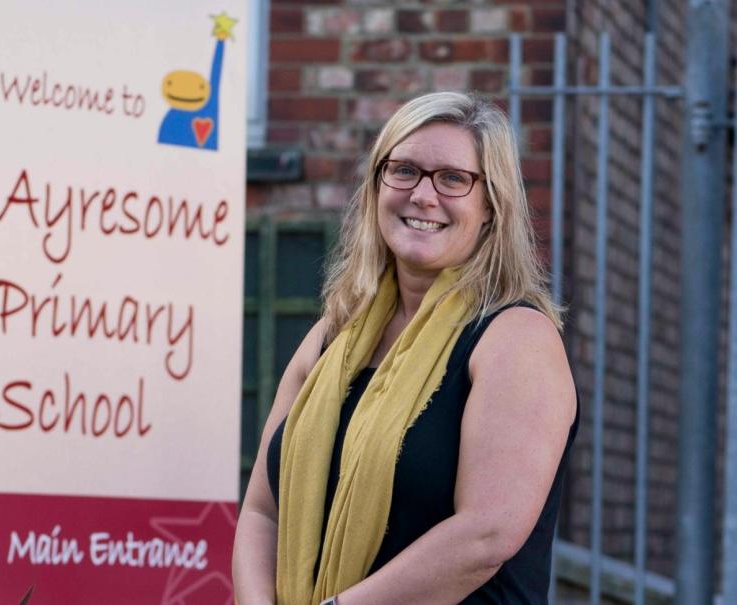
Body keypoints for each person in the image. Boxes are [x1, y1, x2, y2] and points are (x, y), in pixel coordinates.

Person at [232, 91, 579, 605]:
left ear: (491, 207)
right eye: (404, 170)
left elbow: (486, 535)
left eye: (453, 178)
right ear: (376, 187)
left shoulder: (515, 337)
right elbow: (263, 510)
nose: (422, 195)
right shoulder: (335, 335)